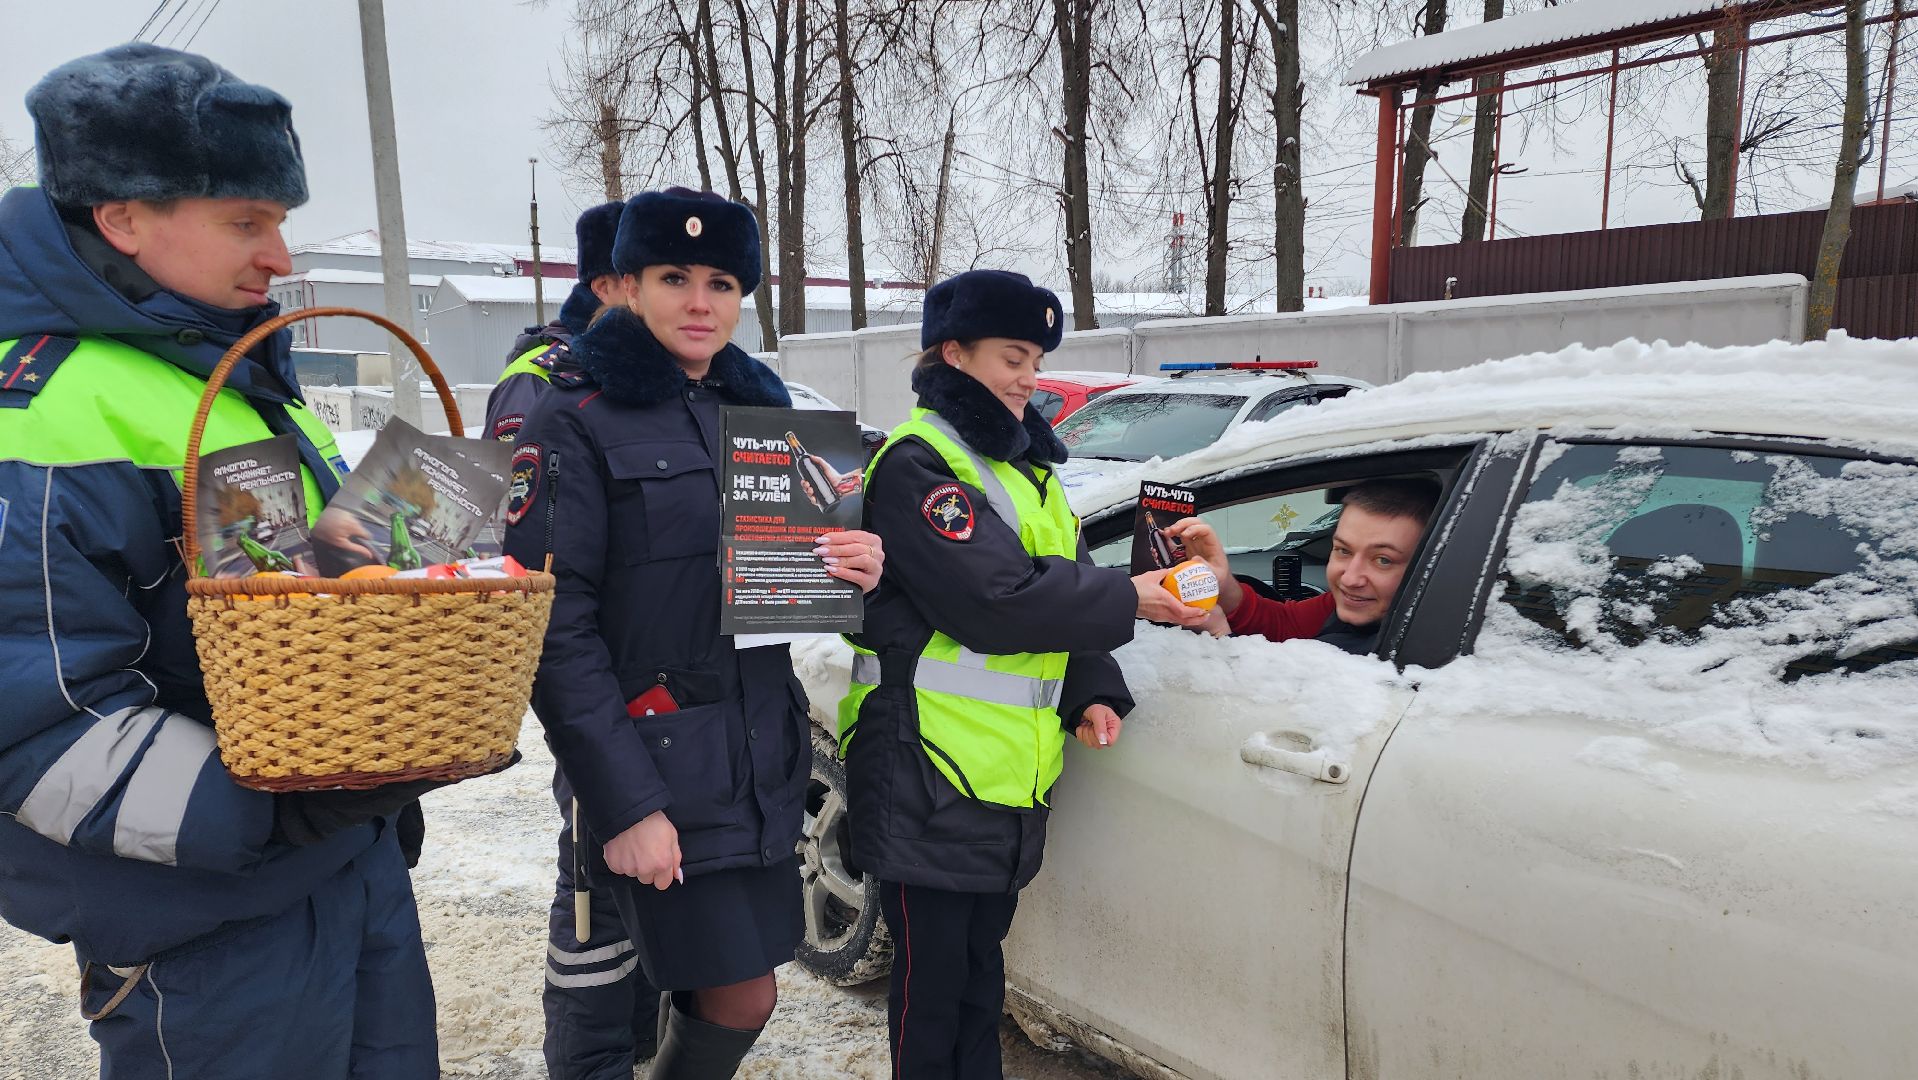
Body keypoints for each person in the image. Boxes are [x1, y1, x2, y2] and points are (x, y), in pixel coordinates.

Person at [0, 45, 453, 1078]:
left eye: (280, 219)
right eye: (246, 221)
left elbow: (293, 582)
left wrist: (433, 518)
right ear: (122, 215)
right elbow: (42, 723)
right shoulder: (43, 408)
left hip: (343, 864)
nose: (280, 254)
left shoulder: (236, 372)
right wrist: (278, 806)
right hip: (204, 918)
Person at [502, 187, 887, 1080]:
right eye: (675, 277)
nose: (701, 301)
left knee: (740, 988)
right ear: (628, 284)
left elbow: (783, 582)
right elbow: (554, 634)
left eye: (722, 281)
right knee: (727, 992)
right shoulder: (576, 415)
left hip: (755, 751)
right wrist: (625, 804)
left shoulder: (763, 418)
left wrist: (858, 564)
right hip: (653, 754)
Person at [839, 269, 1209, 1080]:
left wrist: (1092, 690)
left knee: (980, 979)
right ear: (954, 353)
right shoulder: (921, 463)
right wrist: (1134, 597)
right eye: (1012, 357)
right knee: (931, 991)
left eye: (1037, 359)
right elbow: (996, 602)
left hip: (1006, 772)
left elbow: (1058, 583)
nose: (1029, 378)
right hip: (924, 768)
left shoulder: (1025, 472)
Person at [482, 197, 668, 1078]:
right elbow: (533, 559)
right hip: (592, 678)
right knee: (592, 880)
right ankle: (596, 1055)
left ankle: (635, 1040)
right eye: (656, 277)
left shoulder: (665, 379)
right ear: (609, 285)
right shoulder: (546, 385)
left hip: (665, 689)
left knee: (646, 894)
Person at [1167, 477, 1442, 654]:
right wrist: (1223, 584)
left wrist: (1218, 638)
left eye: (1383, 560)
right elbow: (1287, 625)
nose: (1350, 578)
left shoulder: (1369, 658)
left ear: (1429, 566)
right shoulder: (1369, 606)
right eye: (1343, 550)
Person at [482, 198, 624, 446]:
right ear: (603, 287)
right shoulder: (533, 376)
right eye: (637, 281)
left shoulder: (659, 369)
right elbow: (502, 477)